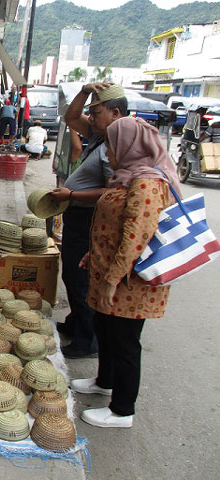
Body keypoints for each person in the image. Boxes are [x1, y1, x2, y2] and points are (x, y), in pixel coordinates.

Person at [73, 116, 179, 428]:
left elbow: (137, 237)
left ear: (129, 145)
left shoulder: (147, 183)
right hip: (112, 271)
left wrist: (111, 279)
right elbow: (117, 225)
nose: (108, 152)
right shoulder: (127, 178)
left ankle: (122, 409)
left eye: (112, 145)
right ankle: (104, 381)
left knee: (125, 342)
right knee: (105, 329)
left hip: (130, 282)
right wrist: (95, 254)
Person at [50, 83, 127, 359]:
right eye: (91, 112)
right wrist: (83, 92)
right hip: (77, 213)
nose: (90, 118)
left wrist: (72, 194)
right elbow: (71, 118)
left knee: (80, 277)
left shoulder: (115, 146)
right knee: (71, 273)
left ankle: (87, 340)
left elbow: (113, 192)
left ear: (115, 113)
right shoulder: (99, 135)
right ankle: (76, 323)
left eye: (96, 112)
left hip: (90, 219)